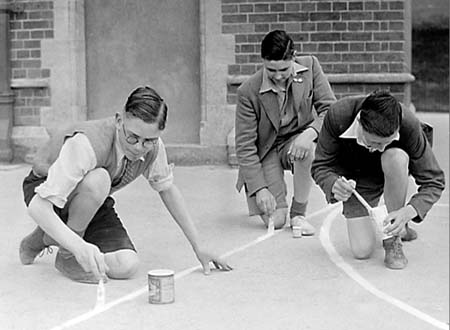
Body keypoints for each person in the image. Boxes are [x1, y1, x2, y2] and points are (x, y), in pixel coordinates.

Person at [19, 85, 232, 283]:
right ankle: (67, 256)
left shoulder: (154, 146)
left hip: (90, 198)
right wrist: (78, 247)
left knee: (126, 266)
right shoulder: (86, 143)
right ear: (120, 120)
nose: (139, 147)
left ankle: (44, 238)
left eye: (148, 141)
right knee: (99, 179)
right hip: (47, 190)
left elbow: (167, 190)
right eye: (133, 137)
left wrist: (199, 245)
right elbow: (38, 206)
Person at [311, 90, 445, 269]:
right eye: (373, 142)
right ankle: (399, 228)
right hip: (357, 179)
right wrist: (332, 183)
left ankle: (395, 236)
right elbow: (320, 165)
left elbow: (434, 180)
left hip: (393, 167)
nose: (380, 148)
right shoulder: (337, 115)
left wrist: (409, 211)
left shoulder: (408, 123)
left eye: (387, 141)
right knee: (361, 251)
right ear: (359, 123)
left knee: (395, 156)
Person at [235, 30, 336, 237]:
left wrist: (310, 133)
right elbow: (245, 147)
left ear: (293, 56)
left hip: (296, 140)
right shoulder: (247, 91)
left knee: (309, 150)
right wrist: (260, 189)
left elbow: (330, 110)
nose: (278, 76)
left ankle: (298, 213)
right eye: (271, 70)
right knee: (277, 221)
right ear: (263, 61)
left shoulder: (311, 66)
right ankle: (265, 196)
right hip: (266, 149)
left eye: (283, 69)